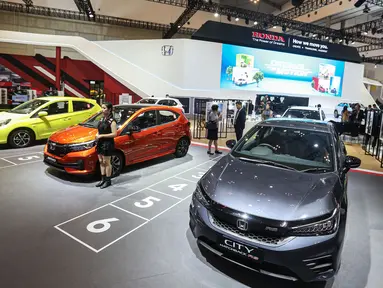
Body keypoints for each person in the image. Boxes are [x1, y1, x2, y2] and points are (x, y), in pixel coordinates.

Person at [95, 102, 117, 189]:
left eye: (104, 108)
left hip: (108, 143)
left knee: (107, 162)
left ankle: (108, 181)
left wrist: (102, 136)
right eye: (102, 108)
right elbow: (99, 130)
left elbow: (114, 134)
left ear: (109, 109)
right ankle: (103, 179)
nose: (102, 110)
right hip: (100, 143)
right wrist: (97, 135)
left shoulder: (112, 121)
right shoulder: (101, 119)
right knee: (101, 161)